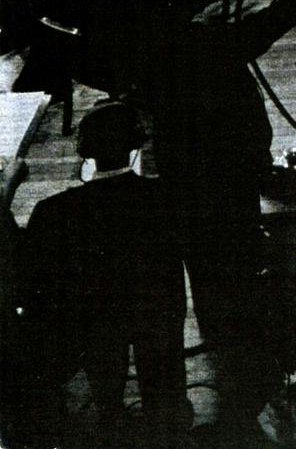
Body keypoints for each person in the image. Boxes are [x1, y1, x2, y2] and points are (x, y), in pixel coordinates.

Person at [17, 101, 189, 446]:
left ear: (84, 150)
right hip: (156, 315)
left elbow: (32, 276)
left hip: (97, 321)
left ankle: (110, 418)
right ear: (138, 143)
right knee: (163, 380)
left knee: (103, 366)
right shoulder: (168, 198)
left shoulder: (55, 211)